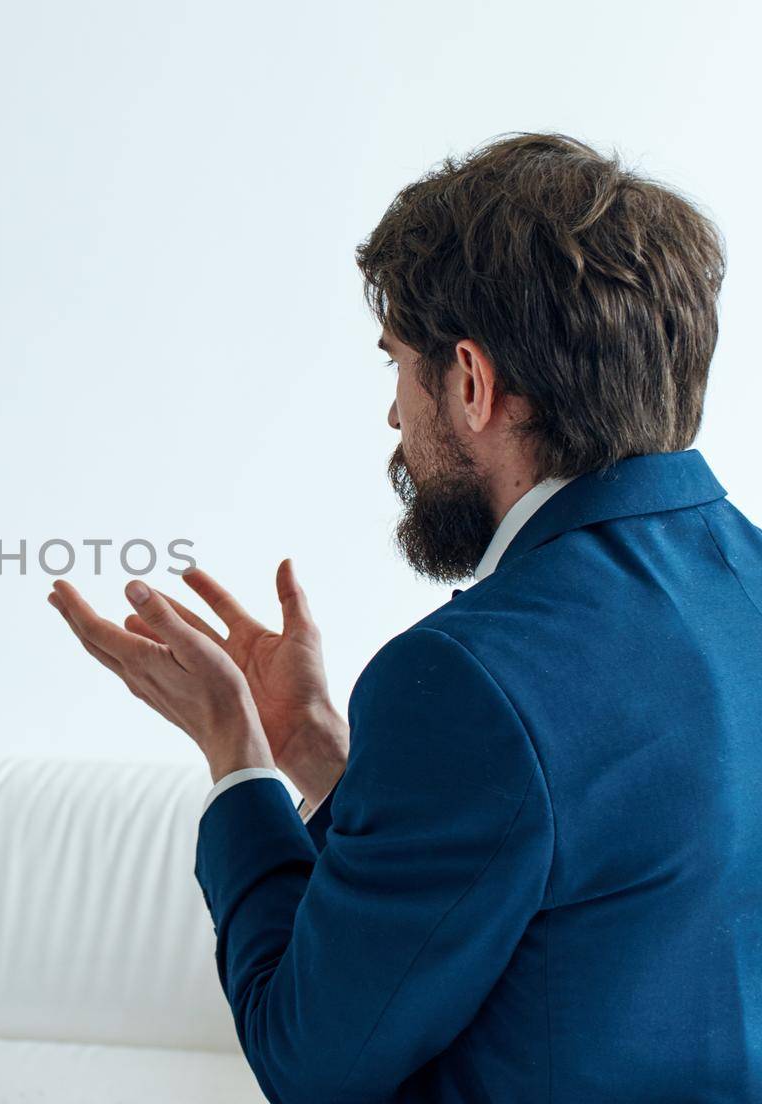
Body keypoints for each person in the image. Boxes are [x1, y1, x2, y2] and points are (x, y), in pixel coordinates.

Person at [48, 133, 761, 1101]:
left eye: (397, 365)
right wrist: (324, 757)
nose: (392, 417)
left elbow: (308, 1058)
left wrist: (237, 755)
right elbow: (581, 878)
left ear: (469, 381)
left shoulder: (468, 680)